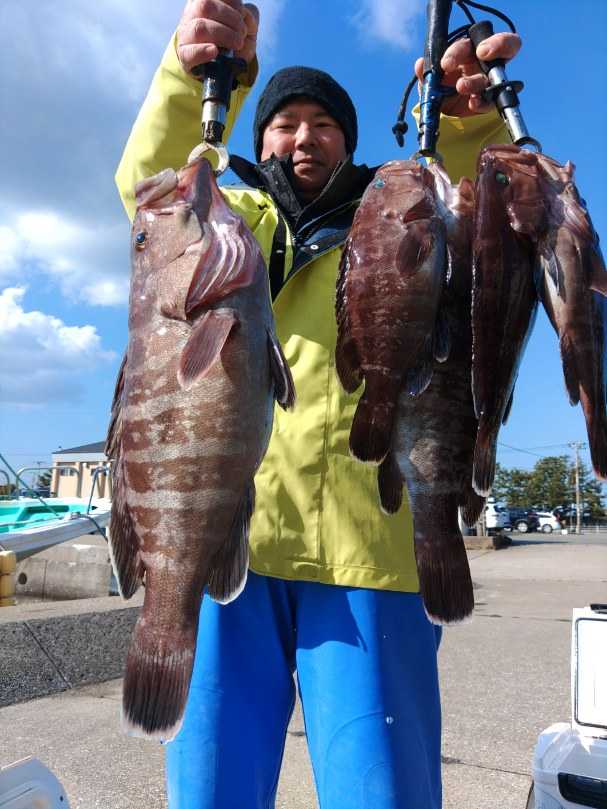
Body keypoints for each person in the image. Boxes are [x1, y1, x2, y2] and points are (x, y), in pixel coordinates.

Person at [115, 2, 521, 807]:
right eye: (285, 123)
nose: (304, 138)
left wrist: (466, 125)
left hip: (370, 550)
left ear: (349, 139)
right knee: (211, 791)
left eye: (324, 124)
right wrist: (193, 77)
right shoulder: (229, 220)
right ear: (260, 136)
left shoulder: (395, 217)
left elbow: (470, 217)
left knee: (381, 791)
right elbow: (152, 193)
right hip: (228, 543)